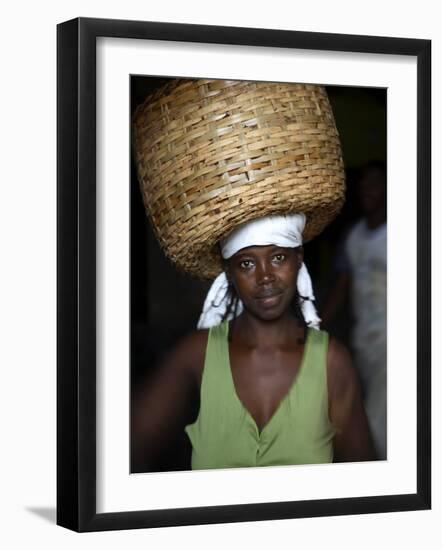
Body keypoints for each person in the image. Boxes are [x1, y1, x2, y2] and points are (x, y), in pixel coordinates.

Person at [132, 214, 376, 470]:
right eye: (247, 264)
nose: (265, 276)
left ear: (299, 258)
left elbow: (368, 483)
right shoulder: (198, 355)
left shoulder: (331, 363)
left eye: (278, 257)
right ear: (229, 273)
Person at [321, 161, 387, 460]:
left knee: (379, 413)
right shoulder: (354, 236)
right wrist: (318, 323)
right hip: (365, 338)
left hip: (397, 338)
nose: (366, 191)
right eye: (363, 186)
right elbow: (342, 286)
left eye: (374, 184)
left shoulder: (410, 230)